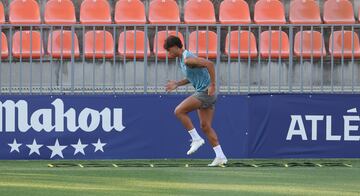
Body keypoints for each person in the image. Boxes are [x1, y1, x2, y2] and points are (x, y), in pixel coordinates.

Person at [164, 35, 227, 167]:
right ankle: (220, 156)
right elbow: (192, 76)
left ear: (176, 47)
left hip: (205, 92)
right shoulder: (184, 60)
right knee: (205, 126)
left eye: (169, 50)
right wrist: (177, 84)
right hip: (206, 93)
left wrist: (213, 85)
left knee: (179, 111)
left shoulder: (187, 60)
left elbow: (209, 64)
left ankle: (196, 139)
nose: (169, 54)